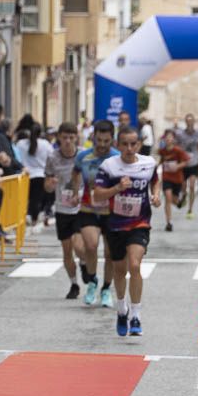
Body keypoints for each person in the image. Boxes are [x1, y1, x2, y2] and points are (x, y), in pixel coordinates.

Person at [93, 126, 161, 336]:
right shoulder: (109, 166)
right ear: (118, 145)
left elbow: (155, 182)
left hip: (139, 223)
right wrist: (116, 189)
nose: (130, 148)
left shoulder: (148, 163)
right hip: (115, 225)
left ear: (139, 144)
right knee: (120, 270)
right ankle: (121, 310)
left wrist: (156, 196)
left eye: (133, 144)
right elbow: (97, 195)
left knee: (135, 265)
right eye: (125, 144)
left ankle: (136, 315)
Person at [71, 120, 118, 308]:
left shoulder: (117, 157)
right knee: (90, 246)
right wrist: (75, 192)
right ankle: (92, 281)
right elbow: (75, 173)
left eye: (106, 141)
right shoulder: (83, 156)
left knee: (110, 252)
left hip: (112, 211)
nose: (102, 145)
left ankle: (106, 288)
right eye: (99, 140)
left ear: (112, 139)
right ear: (93, 137)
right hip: (88, 208)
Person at [44, 122, 82, 299]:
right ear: (59, 137)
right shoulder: (52, 157)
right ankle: (74, 283)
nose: (67, 141)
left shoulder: (83, 156)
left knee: (79, 245)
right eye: (64, 137)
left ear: (76, 137)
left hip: (81, 209)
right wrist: (50, 185)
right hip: (62, 209)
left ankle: (84, 263)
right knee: (67, 250)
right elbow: (48, 186)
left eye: (71, 137)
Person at [15, 118, 51, 233]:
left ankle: (25, 216)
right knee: (36, 199)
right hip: (40, 175)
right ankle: (33, 217)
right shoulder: (45, 144)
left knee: (25, 198)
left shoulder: (21, 144)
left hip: (25, 176)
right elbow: (51, 157)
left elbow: (16, 156)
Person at [156, 128, 191, 232]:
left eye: (170, 137)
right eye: (166, 138)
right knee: (167, 197)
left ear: (173, 139)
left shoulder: (178, 151)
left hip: (177, 179)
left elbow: (187, 161)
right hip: (166, 178)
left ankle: (179, 202)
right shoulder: (162, 151)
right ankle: (169, 222)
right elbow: (161, 161)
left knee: (173, 200)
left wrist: (178, 166)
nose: (168, 140)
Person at [177, 114, 198, 218]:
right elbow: (177, 147)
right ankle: (184, 195)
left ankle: (190, 209)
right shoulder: (181, 134)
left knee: (192, 186)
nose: (189, 123)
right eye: (188, 121)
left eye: (191, 121)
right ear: (185, 122)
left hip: (194, 163)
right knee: (183, 188)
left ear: (194, 122)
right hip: (184, 164)